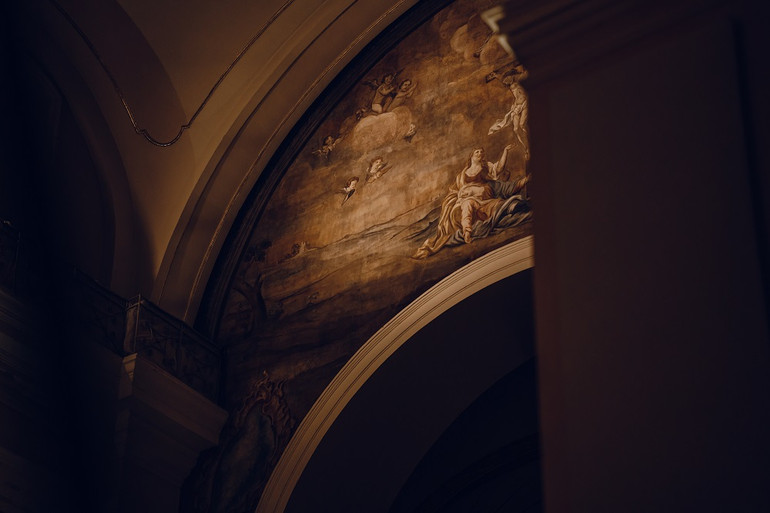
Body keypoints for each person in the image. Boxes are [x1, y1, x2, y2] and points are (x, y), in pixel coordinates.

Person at [413, 146, 530, 258]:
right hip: (467, 200)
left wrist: (505, 151)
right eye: (477, 152)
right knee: (468, 205)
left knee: (499, 205)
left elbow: (499, 168)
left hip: (484, 200)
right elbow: (454, 190)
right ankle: (467, 231)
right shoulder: (462, 175)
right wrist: (458, 197)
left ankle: (513, 207)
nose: (480, 154)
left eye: (481, 152)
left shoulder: (486, 168)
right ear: (471, 156)